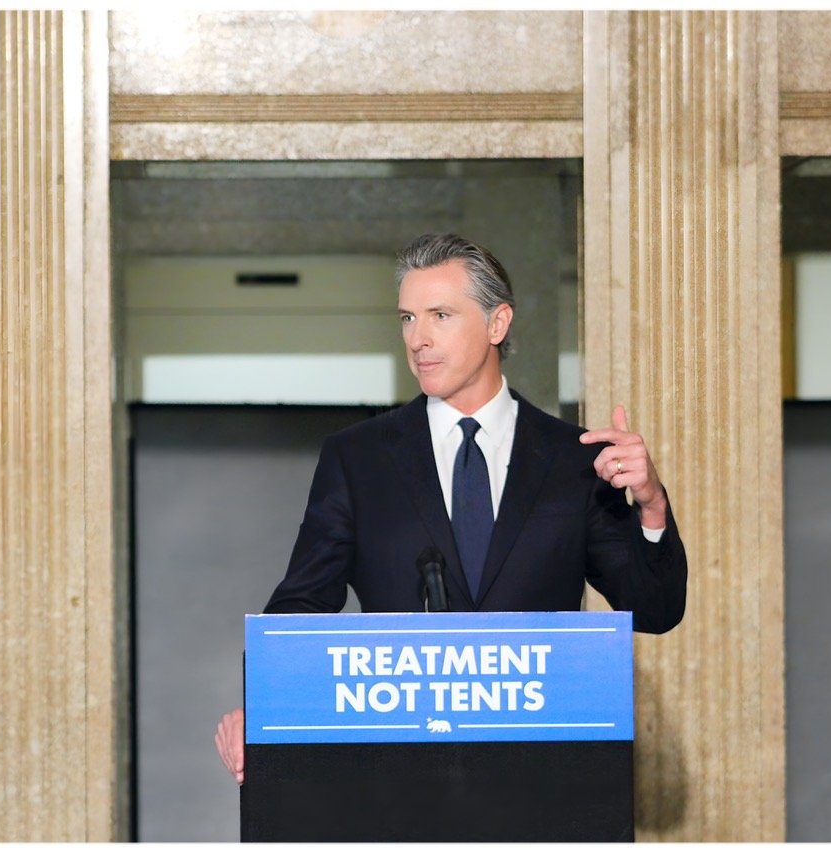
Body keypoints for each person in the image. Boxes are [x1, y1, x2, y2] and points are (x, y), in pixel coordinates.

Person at [215, 232, 686, 784]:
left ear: (497, 324)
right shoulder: (358, 457)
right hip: (401, 780)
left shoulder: (573, 460)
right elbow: (300, 605)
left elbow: (654, 610)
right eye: (408, 319)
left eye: (440, 315)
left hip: (543, 780)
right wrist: (264, 709)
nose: (419, 339)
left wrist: (650, 504)